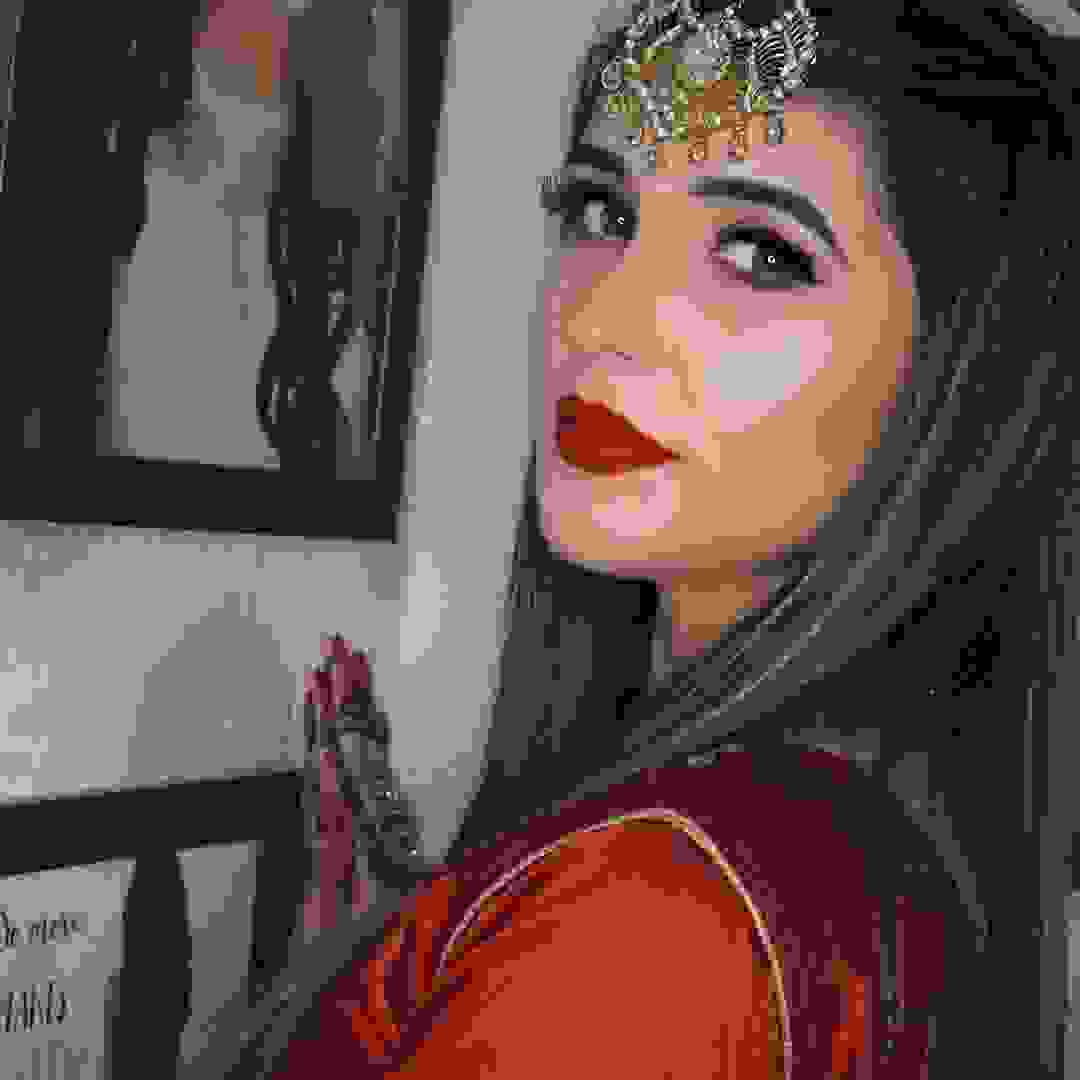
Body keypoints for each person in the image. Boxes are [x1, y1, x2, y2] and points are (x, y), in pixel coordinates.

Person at [205, 0, 1077, 1076]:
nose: (604, 317)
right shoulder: (840, 850)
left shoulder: (656, 917)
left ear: (963, 374)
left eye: (760, 252)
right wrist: (404, 971)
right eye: (601, 209)